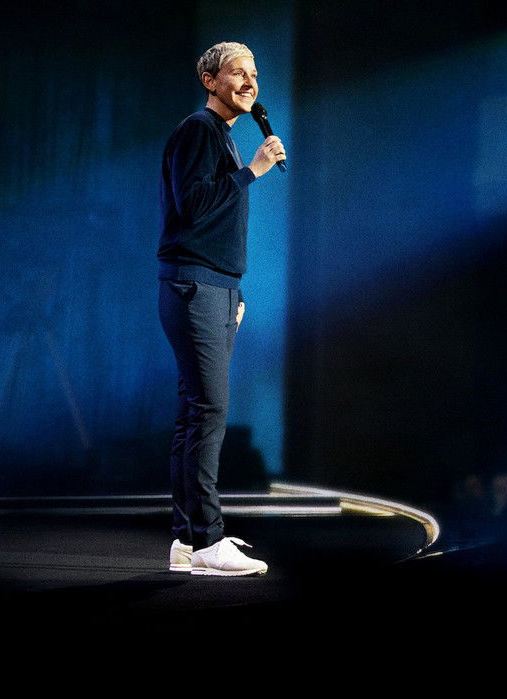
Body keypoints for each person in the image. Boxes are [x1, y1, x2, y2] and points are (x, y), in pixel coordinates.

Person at [157, 41, 285, 577]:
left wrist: (234, 291)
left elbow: (216, 223)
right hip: (195, 287)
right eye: (237, 72)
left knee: (196, 413)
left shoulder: (222, 136)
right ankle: (208, 540)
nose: (250, 81)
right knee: (209, 411)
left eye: (254, 72)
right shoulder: (198, 130)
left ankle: (188, 539)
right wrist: (253, 170)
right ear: (210, 81)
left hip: (214, 287)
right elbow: (193, 205)